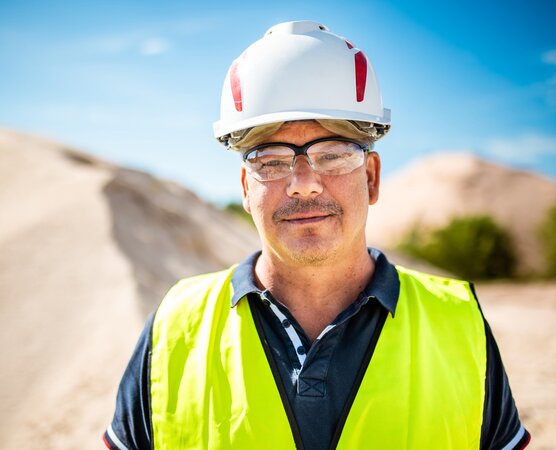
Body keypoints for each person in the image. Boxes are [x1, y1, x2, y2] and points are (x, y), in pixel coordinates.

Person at [104, 20, 530, 450]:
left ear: (372, 178)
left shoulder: (459, 323)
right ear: (246, 189)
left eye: (333, 154)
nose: (302, 183)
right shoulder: (175, 327)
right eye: (269, 159)